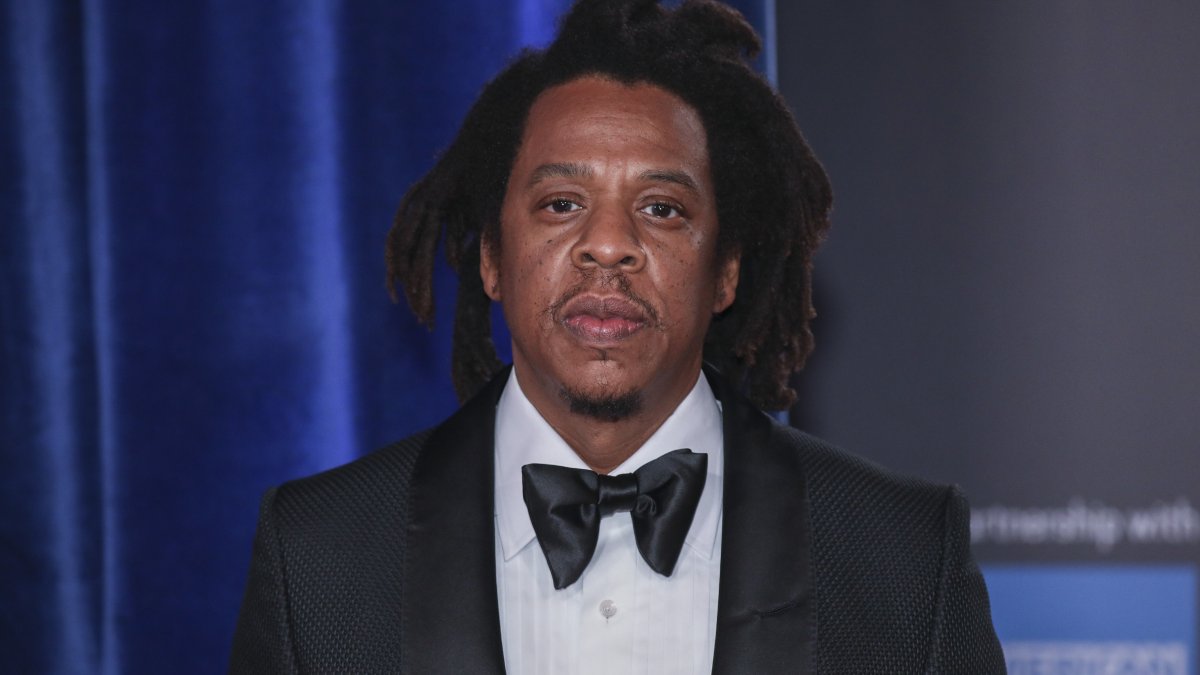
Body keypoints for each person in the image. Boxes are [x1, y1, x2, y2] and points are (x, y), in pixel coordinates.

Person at [230, 0, 1006, 672]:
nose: (608, 243)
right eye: (562, 203)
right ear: (493, 260)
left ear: (726, 272)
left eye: (662, 208)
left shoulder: (902, 557)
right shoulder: (317, 559)